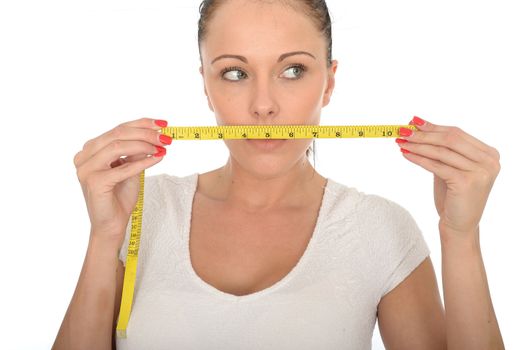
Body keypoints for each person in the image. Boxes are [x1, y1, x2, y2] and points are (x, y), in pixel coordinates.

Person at [52, 0, 505, 349]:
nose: (264, 105)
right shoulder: (140, 210)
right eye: (234, 73)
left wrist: (461, 236)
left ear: (327, 84)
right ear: (205, 87)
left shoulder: (381, 229)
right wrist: (104, 236)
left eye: (293, 70)